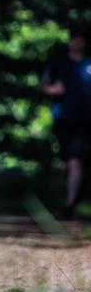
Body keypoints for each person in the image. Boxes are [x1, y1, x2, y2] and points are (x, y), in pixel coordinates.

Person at [41, 32, 91, 219]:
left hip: (85, 120)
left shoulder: (88, 63)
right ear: (69, 41)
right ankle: (65, 197)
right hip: (63, 119)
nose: (77, 42)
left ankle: (70, 204)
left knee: (75, 161)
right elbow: (43, 85)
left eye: (80, 39)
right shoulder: (58, 63)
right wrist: (52, 90)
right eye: (74, 39)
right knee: (67, 162)